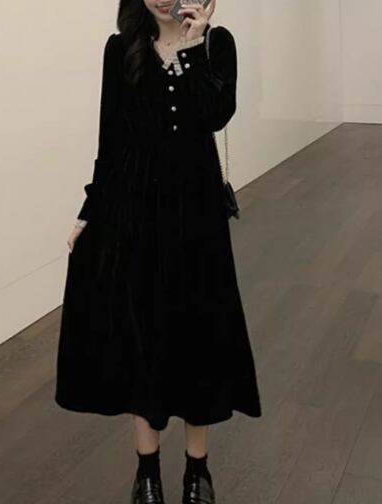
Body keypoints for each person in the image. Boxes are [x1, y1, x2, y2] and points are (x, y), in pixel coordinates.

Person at [54, 0, 262, 502]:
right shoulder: (120, 49)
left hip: (197, 217)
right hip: (137, 215)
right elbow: (111, 139)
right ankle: (147, 472)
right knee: (140, 338)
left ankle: (197, 471)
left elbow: (214, 115)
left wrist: (191, 44)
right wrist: (90, 209)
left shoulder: (216, 44)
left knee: (198, 338)